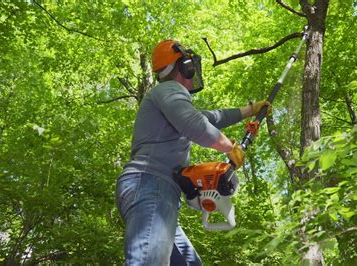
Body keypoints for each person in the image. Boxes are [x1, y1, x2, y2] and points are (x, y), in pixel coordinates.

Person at [115, 39, 270, 265]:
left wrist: (250, 110)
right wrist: (230, 147)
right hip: (150, 184)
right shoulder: (168, 90)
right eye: (191, 65)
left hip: (158, 191)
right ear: (184, 66)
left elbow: (211, 118)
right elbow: (196, 124)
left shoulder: (169, 100)